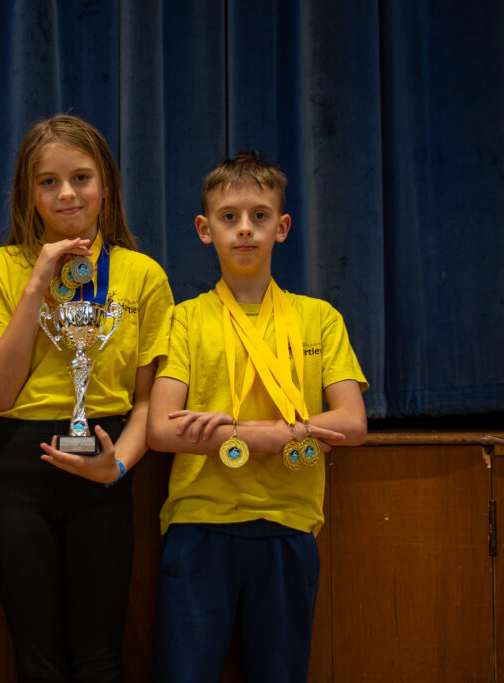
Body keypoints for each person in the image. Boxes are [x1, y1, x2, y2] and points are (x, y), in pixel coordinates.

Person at [147, 151, 368, 682]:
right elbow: (160, 429)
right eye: (229, 217)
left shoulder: (320, 318)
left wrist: (248, 433)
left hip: (289, 523)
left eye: (259, 215)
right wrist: (296, 432)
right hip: (200, 523)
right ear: (205, 229)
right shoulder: (186, 318)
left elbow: (353, 424)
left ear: (282, 226)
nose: (244, 229)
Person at [0, 114, 174, 681]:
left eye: (81, 178)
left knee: (100, 656)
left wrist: (116, 468)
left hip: (104, 462)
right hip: (17, 467)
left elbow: (144, 403)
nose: (66, 193)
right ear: (27, 192)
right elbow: (0, 390)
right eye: (48, 182)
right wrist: (37, 280)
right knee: (36, 658)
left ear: (105, 184)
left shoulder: (142, 276)